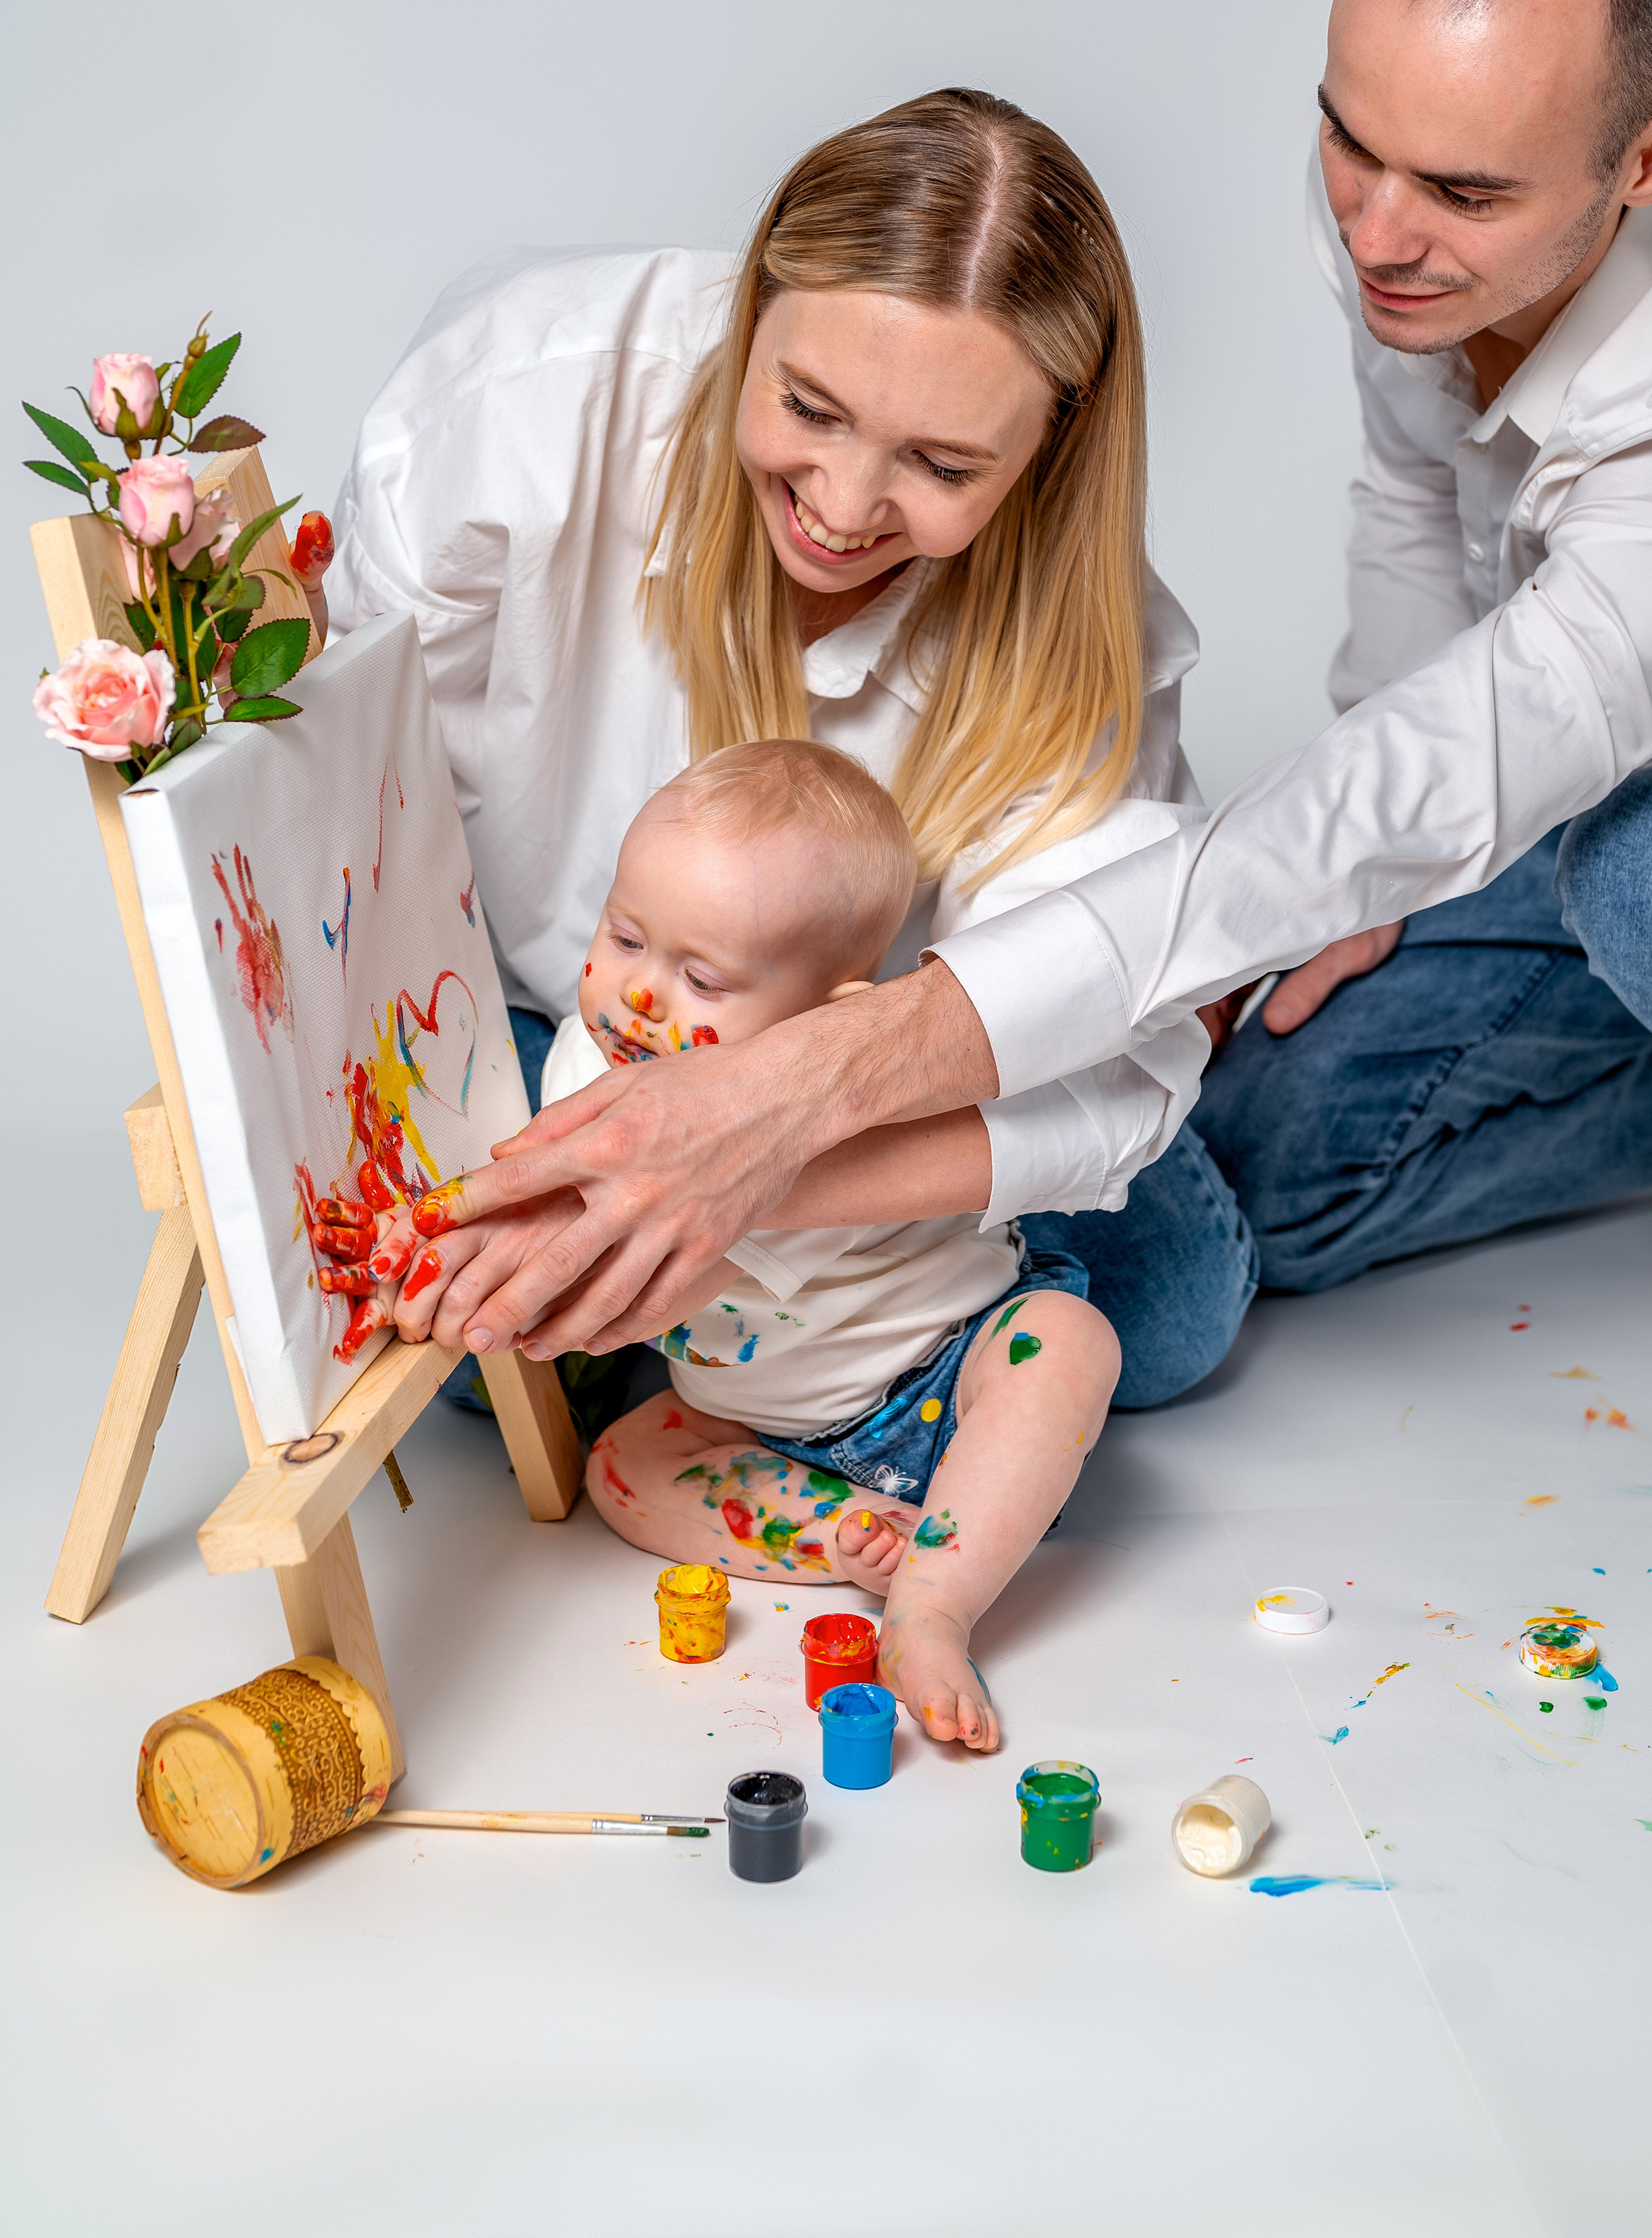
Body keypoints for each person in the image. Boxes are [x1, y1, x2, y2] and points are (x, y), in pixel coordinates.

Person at [408, 0, 1652, 1376]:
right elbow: (1414, 493)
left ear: (1646, 157)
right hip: (1595, 760)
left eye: (1455, 190)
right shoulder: (1423, 230)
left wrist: (823, 1084)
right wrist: (1362, 885)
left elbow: (1481, 751)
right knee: (1278, 1182)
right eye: (1345, 141)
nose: (1373, 230)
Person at [320, 87, 1254, 1420]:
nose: (843, 506)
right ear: (756, 304)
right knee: (484, 1363)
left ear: (1048, 448)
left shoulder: (1082, 645)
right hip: (556, 1020)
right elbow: (340, 814)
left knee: (1162, 1311)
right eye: (809, 408)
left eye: (940, 464)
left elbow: (1105, 1069)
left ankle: (733, 1335)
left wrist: (740, 1170)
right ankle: (745, 1352)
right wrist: (638, 1159)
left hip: (872, 1106)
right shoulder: (516, 413)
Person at [394, 738, 1120, 1751]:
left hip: (939, 1384)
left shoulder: (816, 1127)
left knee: (1067, 1340)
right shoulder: (585, 1058)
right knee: (622, 1466)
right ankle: (846, 1534)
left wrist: (493, 1257)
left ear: (827, 1026)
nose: (640, 996)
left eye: (703, 978)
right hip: (751, 1428)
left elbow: (622, 1271)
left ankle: (934, 1607)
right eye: (626, 937)